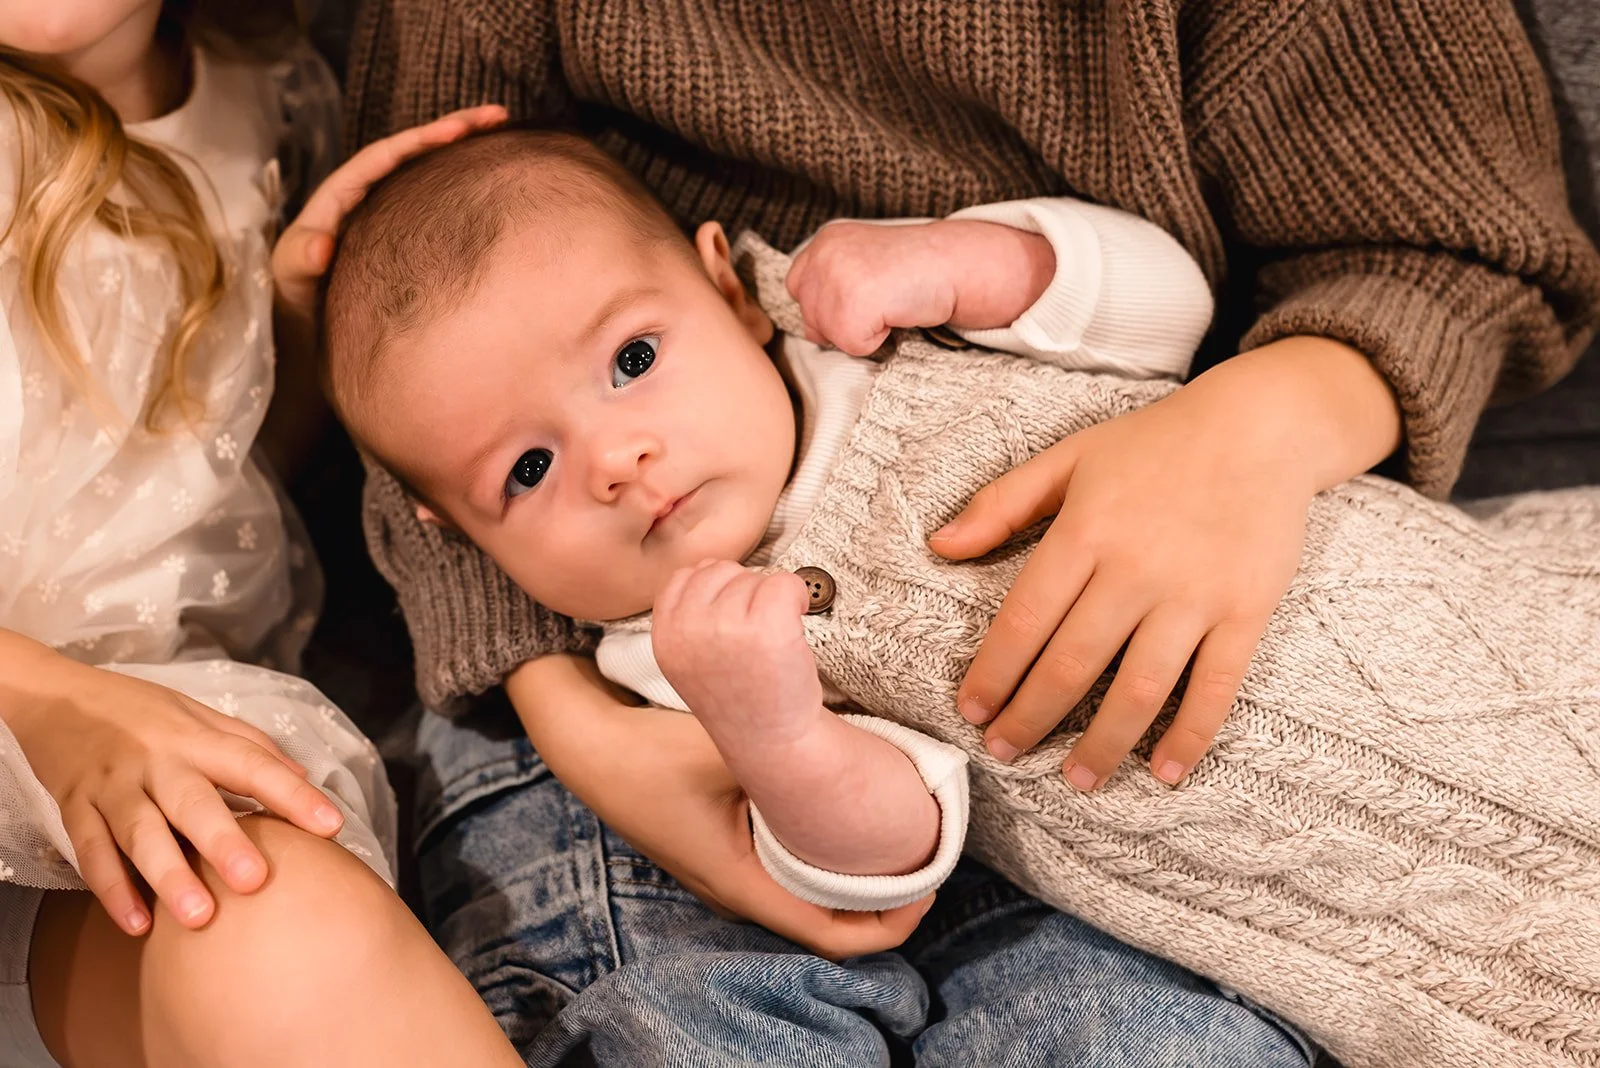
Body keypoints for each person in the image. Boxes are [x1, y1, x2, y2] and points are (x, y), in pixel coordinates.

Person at [336, 1, 1600, 1064]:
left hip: (1434, 600)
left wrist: (993, 261)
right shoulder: (672, 655)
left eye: (634, 360)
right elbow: (900, 841)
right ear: (460, 526)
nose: (616, 462)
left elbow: (1163, 309)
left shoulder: (864, 319)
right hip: (1289, 874)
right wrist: (774, 737)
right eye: (533, 469)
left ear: (728, 285)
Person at [0, 4, 532, 1066]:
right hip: (40, 716)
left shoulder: (278, 91)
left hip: (112, 812)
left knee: (280, 921)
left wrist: (288, 332)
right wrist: (54, 710)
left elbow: (207, 513)